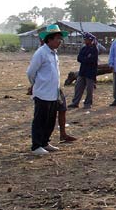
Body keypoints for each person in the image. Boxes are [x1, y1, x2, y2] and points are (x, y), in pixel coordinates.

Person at [26, 24, 68, 156]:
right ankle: (36, 146)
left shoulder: (54, 54)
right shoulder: (41, 53)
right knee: (40, 120)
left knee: (50, 120)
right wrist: (35, 84)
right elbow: (30, 72)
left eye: (60, 39)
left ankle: (45, 142)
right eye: (57, 38)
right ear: (49, 39)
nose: (59, 41)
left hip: (53, 93)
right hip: (42, 93)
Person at [68, 32, 99, 109]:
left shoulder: (94, 49)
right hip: (82, 71)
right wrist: (86, 58)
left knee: (89, 89)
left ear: (90, 40)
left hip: (90, 72)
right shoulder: (84, 48)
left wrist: (85, 59)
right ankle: (75, 102)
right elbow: (79, 58)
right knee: (78, 87)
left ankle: (88, 103)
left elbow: (92, 60)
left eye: (86, 39)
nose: (85, 40)